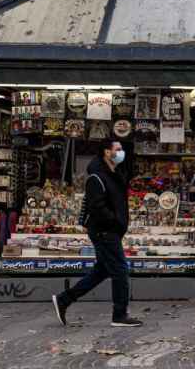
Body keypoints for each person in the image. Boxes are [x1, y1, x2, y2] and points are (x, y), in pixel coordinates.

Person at [52, 140, 142, 327]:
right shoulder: (96, 177)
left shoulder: (115, 174)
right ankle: (119, 315)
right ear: (106, 152)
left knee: (102, 270)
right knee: (120, 271)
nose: (121, 153)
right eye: (117, 149)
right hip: (104, 231)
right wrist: (115, 222)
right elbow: (97, 206)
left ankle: (64, 300)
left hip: (110, 231)